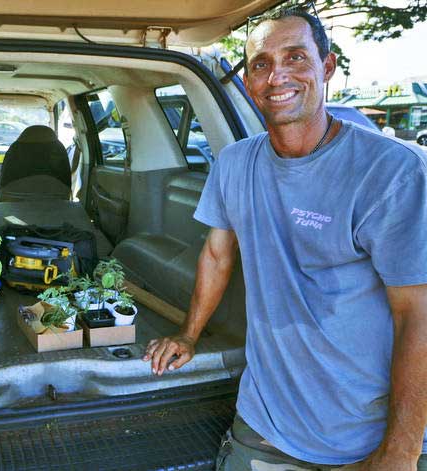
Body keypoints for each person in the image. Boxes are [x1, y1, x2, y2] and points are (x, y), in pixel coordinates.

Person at [143, 7, 427, 471]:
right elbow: (216, 255)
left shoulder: (392, 172)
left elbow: (418, 315)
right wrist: (189, 335)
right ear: (249, 81)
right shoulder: (234, 164)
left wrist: (400, 452)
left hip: (368, 431)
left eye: (296, 57)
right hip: (267, 420)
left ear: (327, 67)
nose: (277, 76)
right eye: (260, 64)